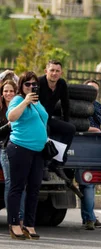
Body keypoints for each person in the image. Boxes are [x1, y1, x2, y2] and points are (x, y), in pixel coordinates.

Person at [5, 71, 47, 240]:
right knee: (17, 187)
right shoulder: (17, 100)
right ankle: (14, 223)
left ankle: (29, 224)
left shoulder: (38, 102)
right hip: (20, 147)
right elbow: (11, 116)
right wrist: (25, 101)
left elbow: (44, 120)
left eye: (33, 84)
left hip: (38, 150)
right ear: (21, 86)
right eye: (27, 84)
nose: (31, 87)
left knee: (34, 188)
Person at [78, 79, 101, 230]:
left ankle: (89, 217)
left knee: (88, 185)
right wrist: (93, 130)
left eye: (95, 90)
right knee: (87, 185)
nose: (93, 93)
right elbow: (75, 125)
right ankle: (90, 218)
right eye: (90, 89)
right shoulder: (76, 105)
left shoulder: (98, 107)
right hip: (79, 146)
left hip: (94, 148)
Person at [38, 60, 76, 166]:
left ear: (61, 73)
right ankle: (44, 164)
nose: (54, 73)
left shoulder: (61, 83)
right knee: (46, 130)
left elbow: (65, 104)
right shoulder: (39, 82)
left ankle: (58, 160)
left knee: (70, 128)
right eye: (52, 70)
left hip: (48, 119)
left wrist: (66, 121)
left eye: (57, 71)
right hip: (37, 120)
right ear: (46, 71)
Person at [1, 80, 25, 224]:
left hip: (21, 147)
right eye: (5, 91)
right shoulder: (1, 109)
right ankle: (13, 218)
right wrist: (8, 125)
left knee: (22, 184)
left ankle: (21, 218)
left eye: (11, 91)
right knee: (11, 183)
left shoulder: (20, 106)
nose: (8, 94)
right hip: (4, 148)